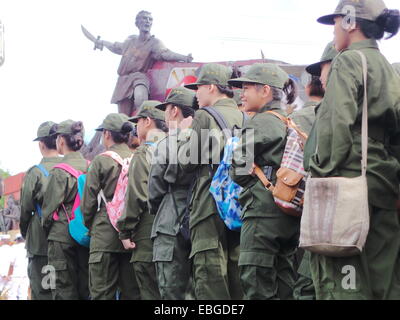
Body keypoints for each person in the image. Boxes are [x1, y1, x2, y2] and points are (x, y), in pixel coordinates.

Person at [304, 0, 400, 299]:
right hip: (383, 182)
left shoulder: (348, 61)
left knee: (343, 279)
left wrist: (320, 176)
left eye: (335, 22)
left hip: (348, 180)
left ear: (350, 22)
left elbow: (334, 127)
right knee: (383, 278)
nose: (333, 31)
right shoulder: (387, 67)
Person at [229, 63, 299, 300]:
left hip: (262, 213)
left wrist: (255, 188)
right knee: (284, 281)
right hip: (286, 211)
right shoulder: (288, 120)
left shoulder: (262, 121)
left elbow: (237, 167)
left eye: (247, 87)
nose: (242, 93)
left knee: (256, 279)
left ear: (266, 90)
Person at [177, 63, 244, 300]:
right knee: (236, 272)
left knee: (210, 272)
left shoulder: (205, 116)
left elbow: (187, 162)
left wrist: (185, 133)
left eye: (199, 87)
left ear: (212, 87)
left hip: (209, 203)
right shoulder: (244, 114)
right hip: (238, 204)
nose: (196, 93)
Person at [290, 42, 338, 301]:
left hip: (329, 219)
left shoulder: (318, 115)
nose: (321, 76)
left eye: (323, 69)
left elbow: (309, 160)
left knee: (310, 286)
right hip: (331, 218)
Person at [81, 113, 140, 300]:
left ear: (106, 134)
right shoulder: (138, 158)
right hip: (133, 236)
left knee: (102, 293)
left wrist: (91, 226)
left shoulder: (101, 160)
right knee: (132, 293)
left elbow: (88, 203)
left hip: (104, 236)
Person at [95, 11, 193, 116]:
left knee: (140, 97)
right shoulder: (130, 40)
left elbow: (165, 54)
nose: (147, 21)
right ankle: (129, 130)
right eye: (144, 18)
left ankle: (144, 120)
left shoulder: (154, 42)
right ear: (137, 22)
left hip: (140, 77)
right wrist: (102, 42)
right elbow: (116, 46)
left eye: (150, 19)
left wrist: (184, 57)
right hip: (123, 80)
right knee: (123, 116)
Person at [148, 88, 197, 300]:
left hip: (170, 218)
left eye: (166, 110)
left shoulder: (167, 143)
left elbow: (155, 189)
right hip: (201, 218)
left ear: (174, 110)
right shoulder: (205, 139)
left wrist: (159, 209)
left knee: (171, 291)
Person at [117, 101, 167, 300]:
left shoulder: (144, 153)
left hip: (147, 232)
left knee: (150, 292)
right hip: (176, 232)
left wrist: (125, 230)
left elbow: (137, 195)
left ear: (147, 121)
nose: (136, 128)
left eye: (137, 122)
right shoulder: (179, 148)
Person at [41, 120, 90, 300]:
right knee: (87, 287)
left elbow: (48, 211)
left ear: (61, 140)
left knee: (62, 288)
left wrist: (49, 229)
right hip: (86, 234)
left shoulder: (58, 171)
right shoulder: (91, 166)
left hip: (61, 237)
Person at [20, 121, 61, 300]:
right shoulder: (72, 169)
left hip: (41, 241)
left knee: (43, 290)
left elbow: (25, 210)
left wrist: (26, 233)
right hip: (69, 238)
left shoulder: (35, 173)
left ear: (41, 144)